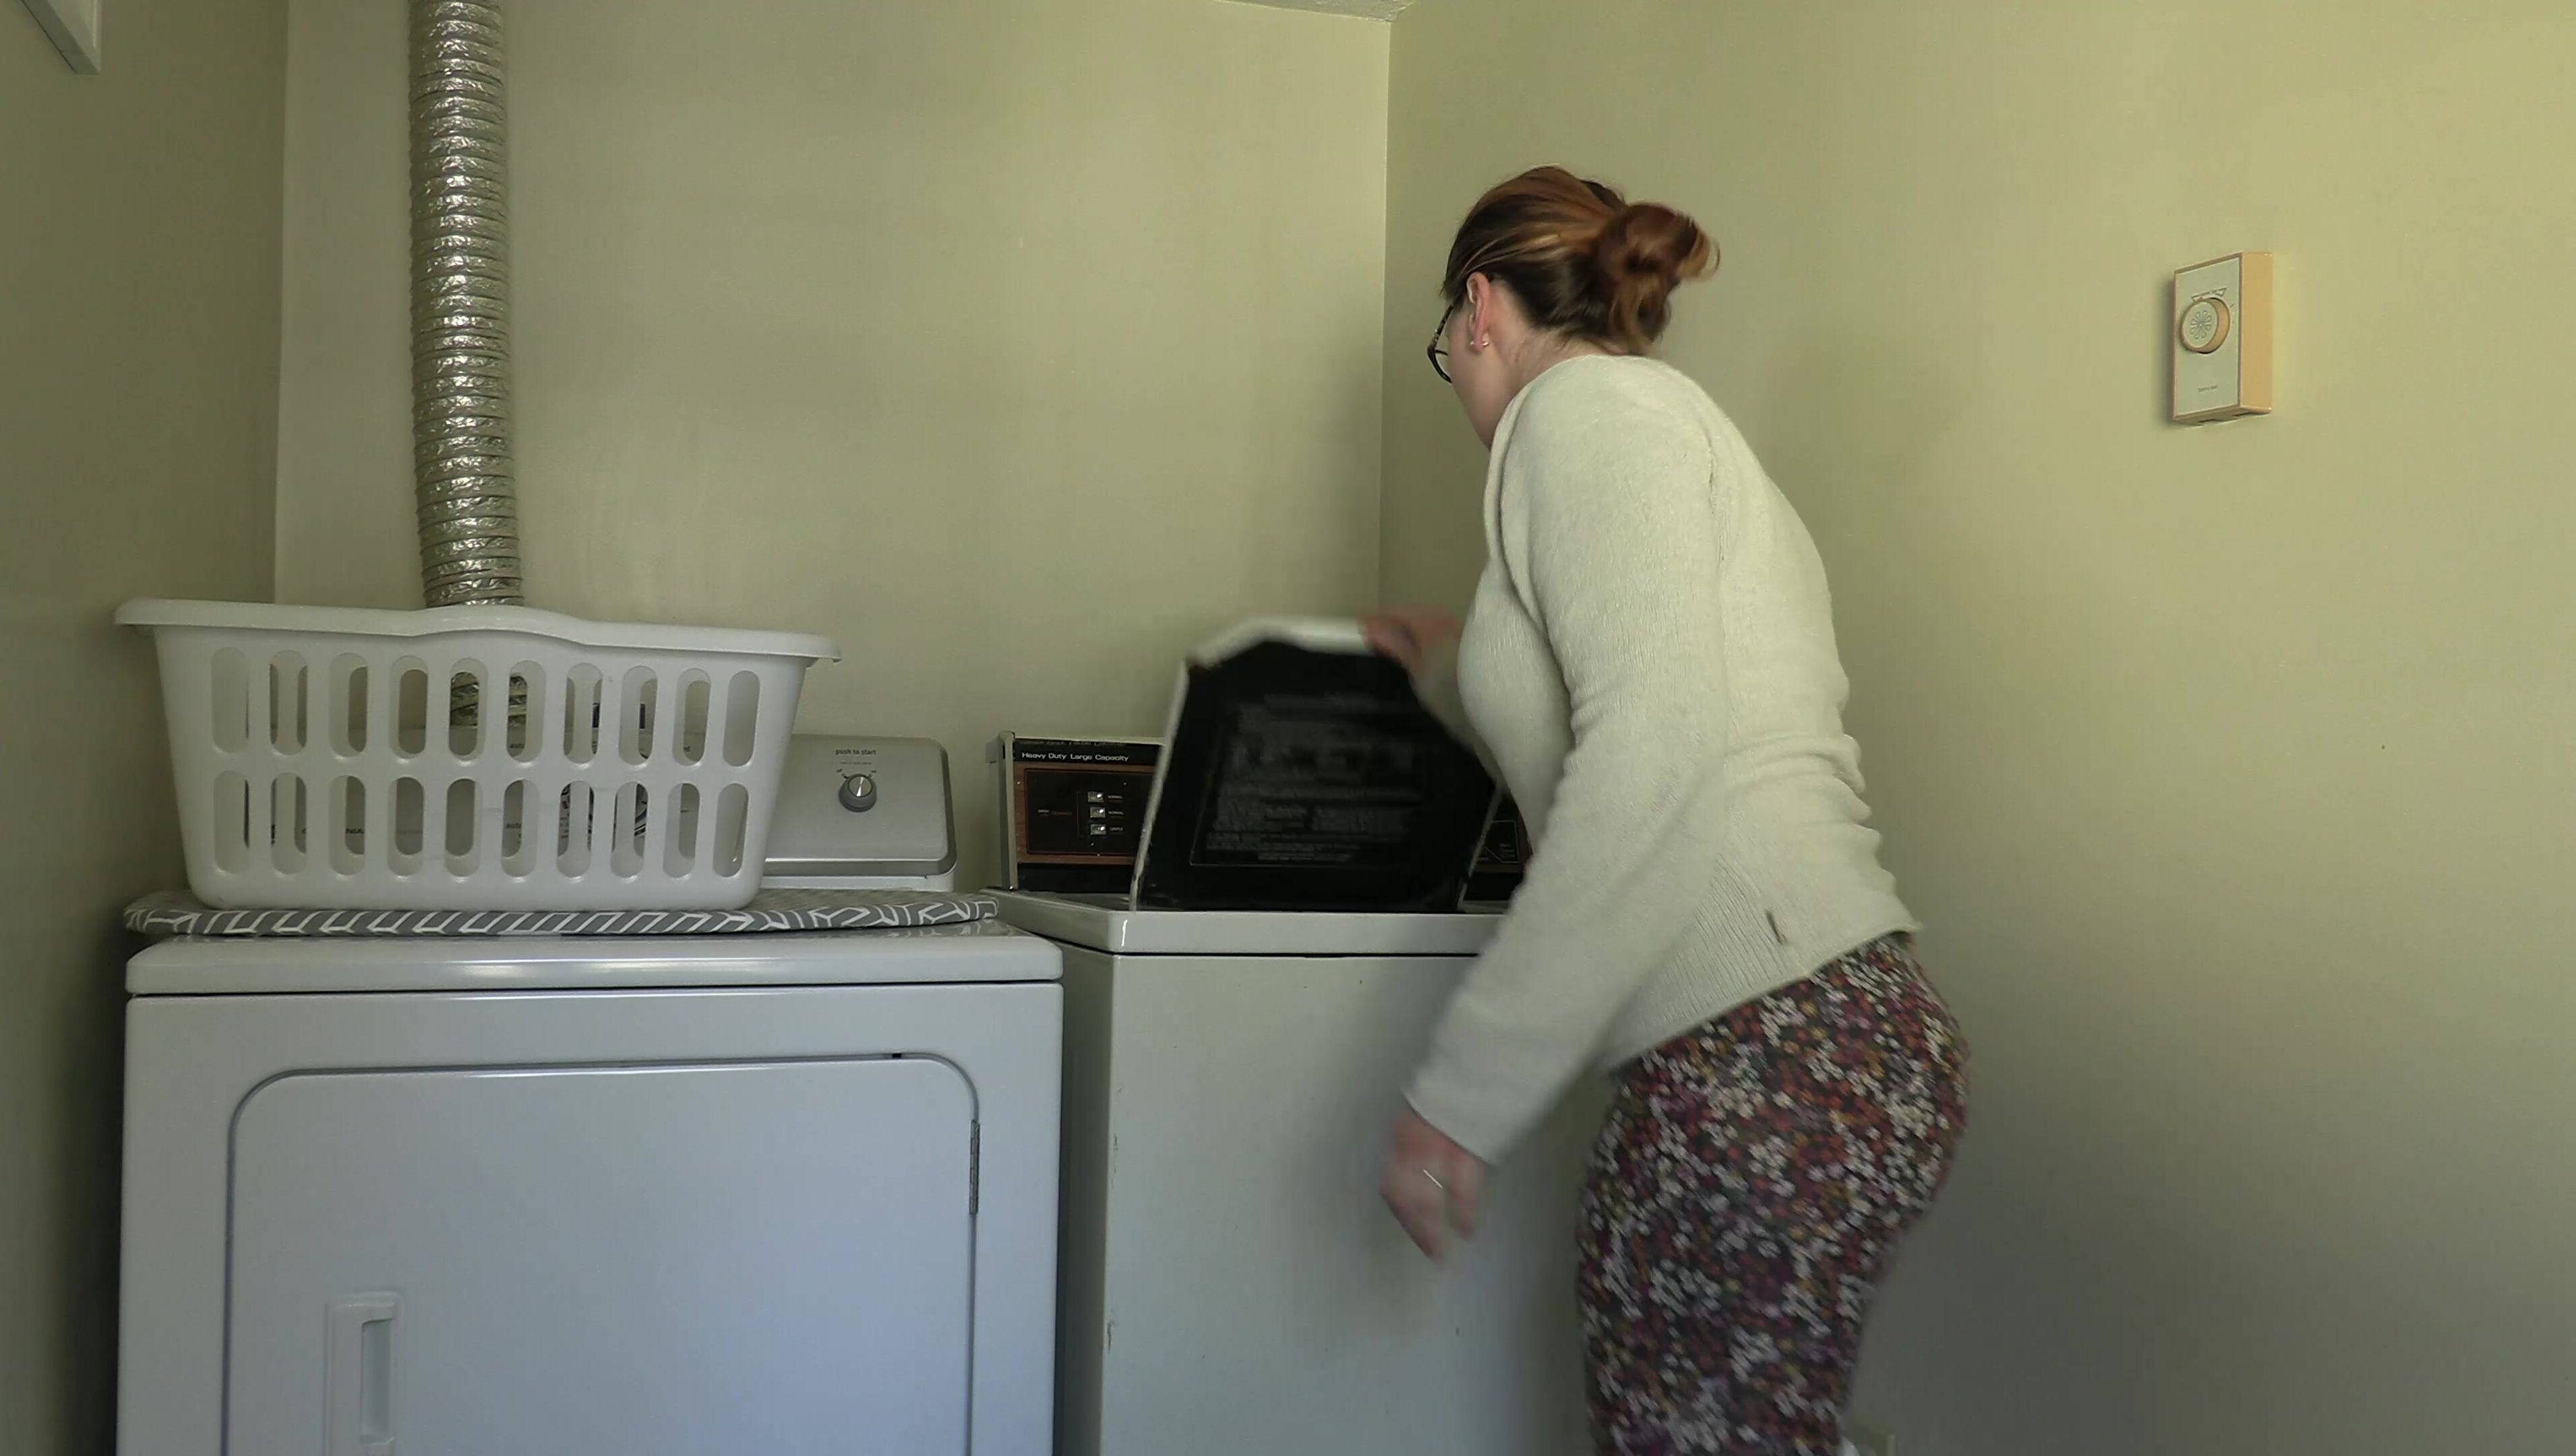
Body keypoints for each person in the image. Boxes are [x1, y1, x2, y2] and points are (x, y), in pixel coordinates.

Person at [1362, 166, 1970, 1456]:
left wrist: (1461, 1093)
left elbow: (1651, 753)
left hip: (1767, 1048)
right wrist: (1449, 651)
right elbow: (1653, 692)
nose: (1454, 369)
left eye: (1446, 341)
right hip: (1813, 1035)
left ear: (1480, 306)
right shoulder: (1642, 425)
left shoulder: (1583, 415)